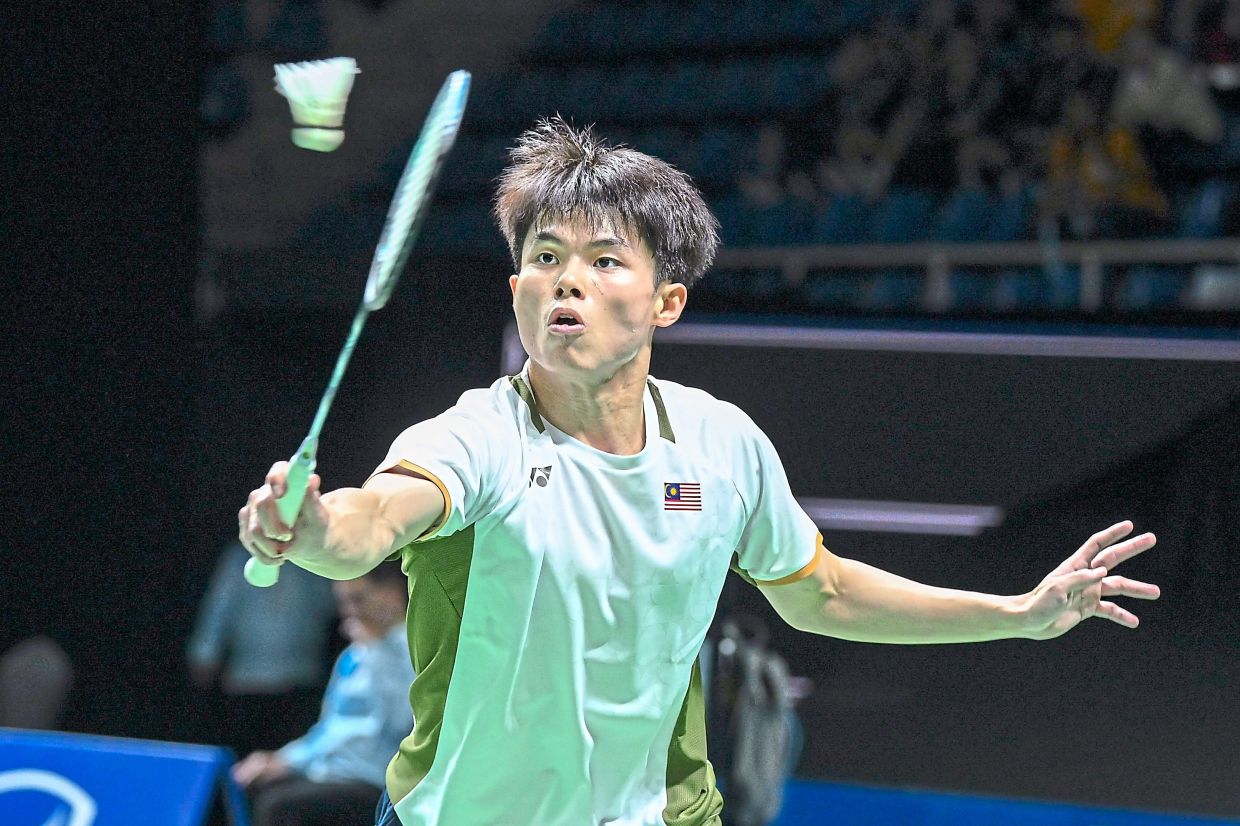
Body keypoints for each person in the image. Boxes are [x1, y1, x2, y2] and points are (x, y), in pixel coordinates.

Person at [237, 117, 1161, 826]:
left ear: (667, 301)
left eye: (605, 261)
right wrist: (309, 528)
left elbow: (824, 592)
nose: (567, 281)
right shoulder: (479, 437)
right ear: (516, 289)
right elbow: (372, 520)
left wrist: (1019, 614)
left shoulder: (721, 445)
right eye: (544, 258)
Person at [231, 561, 414, 826]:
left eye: (357, 599)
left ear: (391, 593)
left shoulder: (413, 650)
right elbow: (329, 728)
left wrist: (377, 654)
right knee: (249, 785)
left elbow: (402, 723)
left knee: (278, 806)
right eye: (344, 602)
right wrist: (283, 759)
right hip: (328, 772)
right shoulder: (353, 654)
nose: (349, 612)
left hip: (372, 780)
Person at [187, 539, 336, 756]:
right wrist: (205, 654)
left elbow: (333, 603)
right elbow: (219, 608)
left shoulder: (314, 556)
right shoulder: (239, 557)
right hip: (246, 681)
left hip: (302, 679)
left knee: (290, 757)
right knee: (245, 756)